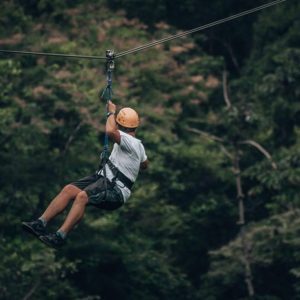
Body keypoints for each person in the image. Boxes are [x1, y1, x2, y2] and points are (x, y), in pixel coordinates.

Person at [22, 100, 148, 249]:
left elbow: (109, 131)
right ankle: (40, 223)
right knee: (69, 190)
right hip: (103, 179)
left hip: (115, 190)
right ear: (135, 126)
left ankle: (60, 236)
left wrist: (111, 112)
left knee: (82, 196)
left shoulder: (128, 141)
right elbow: (145, 165)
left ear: (120, 125)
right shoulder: (138, 146)